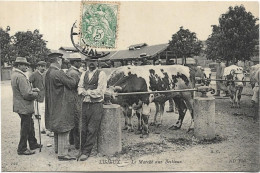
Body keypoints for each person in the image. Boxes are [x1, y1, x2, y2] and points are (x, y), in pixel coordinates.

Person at [45, 53, 78, 161]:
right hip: (61, 102)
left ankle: (57, 149)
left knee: (56, 125)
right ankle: (63, 154)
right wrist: (74, 77)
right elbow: (72, 84)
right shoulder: (58, 72)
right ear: (58, 60)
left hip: (53, 102)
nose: (61, 62)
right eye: (61, 60)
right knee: (64, 126)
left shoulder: (48, 72)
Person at [11, 57, 42, 155]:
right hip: (24, 106)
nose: (27, 67)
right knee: (26, 127)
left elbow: (24, 91)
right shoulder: (20, 76)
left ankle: (33, 143)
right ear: (19, 65)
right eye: (25, 65)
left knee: (30, 124)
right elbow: (26, 94)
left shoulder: (15, 74)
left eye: (27, 65)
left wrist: (33, 89)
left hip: (21, 105)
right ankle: (22, 148)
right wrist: (36, 94)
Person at [78, 60, 107, 161]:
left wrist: (88, 92)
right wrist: (82, 92)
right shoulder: (84, 74)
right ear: (86, 62)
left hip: (96, 104)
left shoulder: (101, 74)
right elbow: (80, 87)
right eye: (89, 61)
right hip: (85, 104)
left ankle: (86, 152)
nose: (91, 63)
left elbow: (101, 90)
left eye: (93, 61)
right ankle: (82, 149)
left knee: (92, 128)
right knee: (83, 128)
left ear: (97, 63)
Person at [29, 61, 50, 135]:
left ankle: (45, 128)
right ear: (38, 67)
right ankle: (43, 128)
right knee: (41, 112)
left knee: (46, 112)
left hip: (46, 96)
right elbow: (28, 84)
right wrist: (33, 89)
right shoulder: (34, 74)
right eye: (41, 66)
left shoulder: (46, 74)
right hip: (39, 97)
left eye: (44, 66)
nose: (43, 68)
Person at [67, 57, 82, 150]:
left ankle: (72, 140)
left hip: (71, 98)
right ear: (75, 62)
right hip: (75, 98)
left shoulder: (70, 71)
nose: (80, 64)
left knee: (72, 120)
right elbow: (75, 86)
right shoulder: (74, 73)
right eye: (79, 62)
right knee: (76, 120)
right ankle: (77, 143)